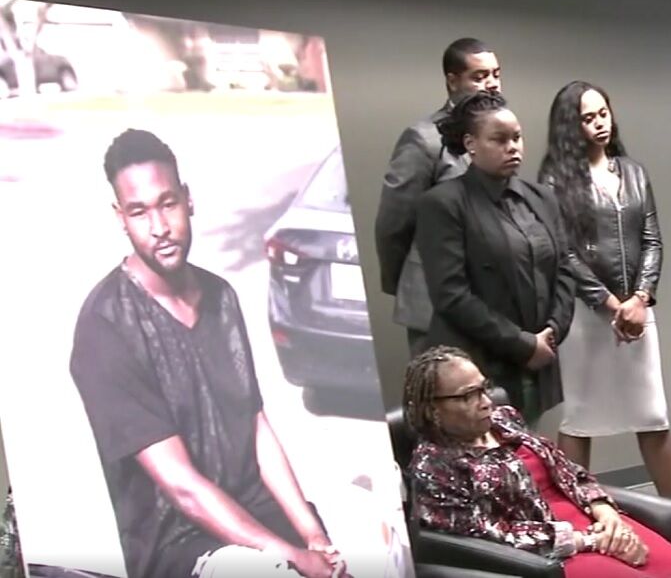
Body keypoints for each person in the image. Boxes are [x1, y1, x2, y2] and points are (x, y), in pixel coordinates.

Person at [69, 130, 346, 578]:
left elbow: (255, 425)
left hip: (256, 515)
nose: (159, 227)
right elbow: (182, 489)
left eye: (167, 204)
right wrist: (296, 559)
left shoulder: (221, 296)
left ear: (188, 199)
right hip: (180, 544)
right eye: (139, 212)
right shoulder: (104, 326)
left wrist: (312, 534)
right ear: (120, 217)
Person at [537, 80, 671, 569]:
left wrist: (640, 298)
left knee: (652, 416)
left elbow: (653, 238)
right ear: (570, 126)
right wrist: (610, 304)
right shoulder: (555, 180)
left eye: (603, 112)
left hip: (637, 313)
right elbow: (565, 254)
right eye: (588, 117)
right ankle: (579, 524)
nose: (600, 122)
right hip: (589, 319)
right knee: (581, 419)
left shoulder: (633, 172)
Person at [404, 346, 671, 578]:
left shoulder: (504, 418)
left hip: (590, 521)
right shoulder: (434, 466)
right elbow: (492, 534)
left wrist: (607, 515)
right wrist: (588, 540)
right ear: (433, 408)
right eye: (467, 395)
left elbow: (569, 471)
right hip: (551, 552)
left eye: (483, 388)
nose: (485, 401)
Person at [414, 91, 575, 425]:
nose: (512, 147)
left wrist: (551, 332)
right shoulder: (443, 203)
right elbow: (451, 294)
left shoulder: (541, 197)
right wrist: (521, 343)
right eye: (499, 140)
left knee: (529, 451)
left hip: (538, 355)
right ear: (471, 143)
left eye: (517, 138)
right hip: (478, 361)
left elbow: (564, 270)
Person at [375, 37, 502, 356]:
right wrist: (405, 282)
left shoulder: (501, 139)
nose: (491, 84)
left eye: (496, 75)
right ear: (452, 80)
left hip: (490, 302)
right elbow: (393, 224)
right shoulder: (425, 139)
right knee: (440, 399)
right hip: (434, 303)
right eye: (480, 76)